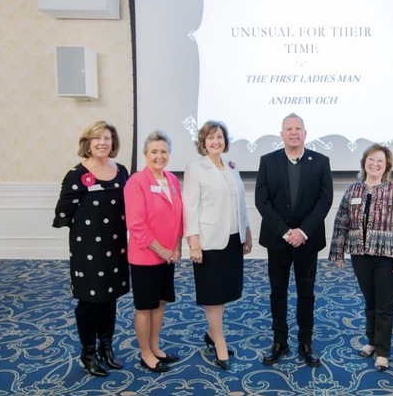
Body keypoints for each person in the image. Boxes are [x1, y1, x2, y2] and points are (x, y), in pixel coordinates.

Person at [255, 113, 333, 367]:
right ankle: (279, 341)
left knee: (306, 293)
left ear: (305, 133)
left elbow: (325, 200)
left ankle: (305, 342)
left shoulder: (321, 161)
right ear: (281, 135)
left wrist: (303, 232)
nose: (293, 132)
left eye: (298, 128)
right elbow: (262, 201)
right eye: (288, 129)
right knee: (277, 292)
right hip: (278, 241)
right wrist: (286, 232)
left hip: (308, 241)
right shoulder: (268, 161)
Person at [52, 120, 130, 377]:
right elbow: (64, 212)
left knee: (110, 297)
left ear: (113, 143)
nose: (102, 143)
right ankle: (88, 353)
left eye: (107, 138)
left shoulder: (121, 171)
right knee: (89, 301)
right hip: (88, 249)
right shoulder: (77, 174)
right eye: (97, 138)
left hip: (115, 245)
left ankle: (106, 347)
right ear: (87, 143)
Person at [329, 143, 393, 371]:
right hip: (361, 256)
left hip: (388, 257)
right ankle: (372, 341)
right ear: (364, 163)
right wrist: (338, 251)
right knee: (370, 303)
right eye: (371, 160)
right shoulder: (353, 190)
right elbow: (341, 222)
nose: (375, 164)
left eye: (380, 161)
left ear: (386, 166)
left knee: (384, 305)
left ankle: (383, 352)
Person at [183, 120, 252, 371]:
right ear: (203, 142)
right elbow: (190, 207)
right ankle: (219, 341)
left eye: (219, 137)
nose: (216, 141)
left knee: (226, 290)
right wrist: (193, 243)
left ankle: (212, 334)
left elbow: (240, 202)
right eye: (211, 137)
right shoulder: (195, 167)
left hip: (232, 238)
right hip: (208, 241)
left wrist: (246, 231)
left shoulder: (231, 166)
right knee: (213, 293)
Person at [124, 131, 183, 373]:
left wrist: (177, 246)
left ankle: (155, 347)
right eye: (154, 152)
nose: (159, 156)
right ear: (145, 154)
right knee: (145, 307)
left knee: (160, 303)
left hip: (168, 256)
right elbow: (136, 225)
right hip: (146, 257)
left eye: (164, 151)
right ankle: (145, 353)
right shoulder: (136, 182)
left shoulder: (172, 179)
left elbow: (179, 216)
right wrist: (162, 251)